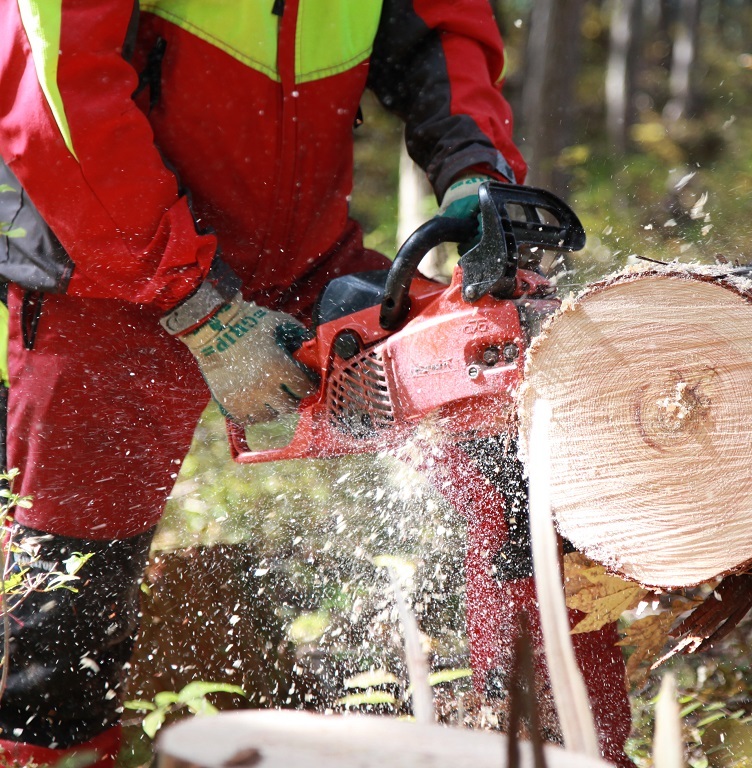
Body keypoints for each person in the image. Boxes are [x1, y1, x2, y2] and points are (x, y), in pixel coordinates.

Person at [0, 2, 632, 766]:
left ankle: (570, 742)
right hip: (112, 268)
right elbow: (57, 90)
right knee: (67, 597)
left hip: (304, 256)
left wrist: (474, 167)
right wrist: (198, 309)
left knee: (512, 443)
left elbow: (441, 31)